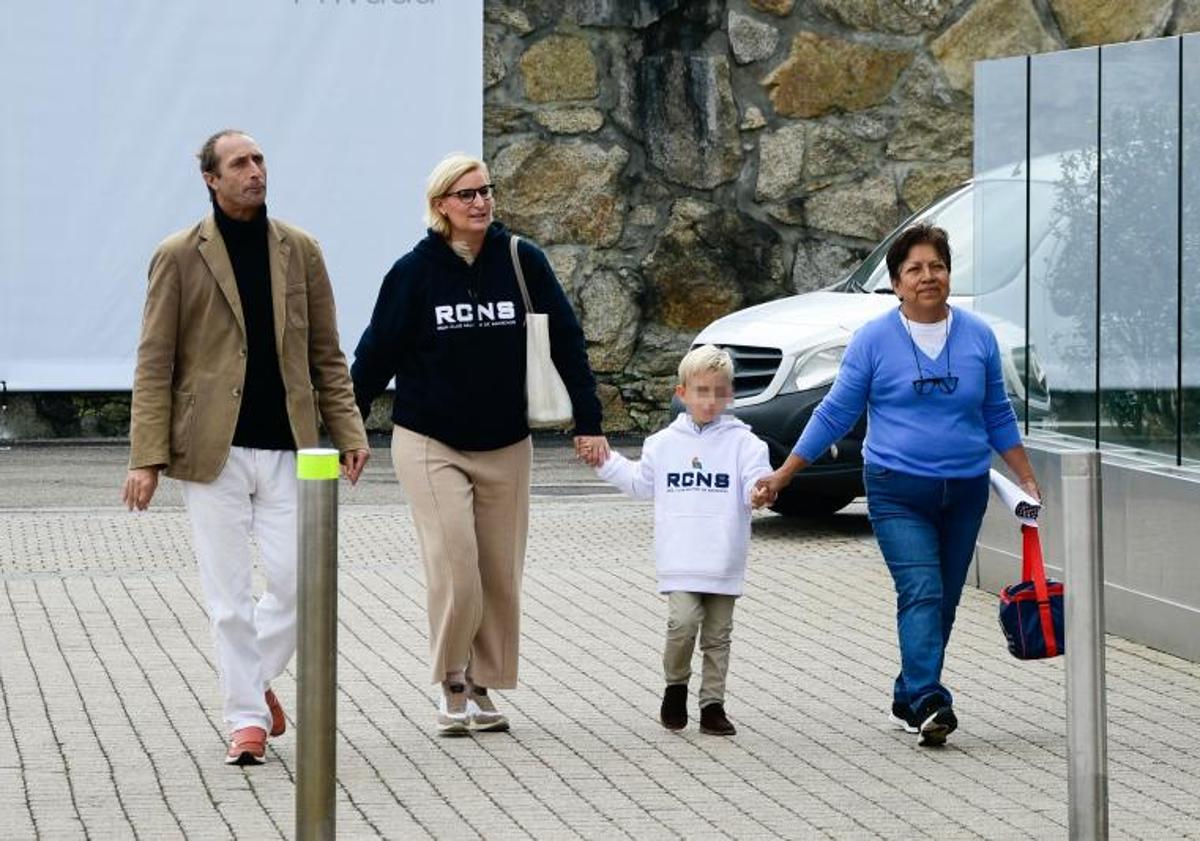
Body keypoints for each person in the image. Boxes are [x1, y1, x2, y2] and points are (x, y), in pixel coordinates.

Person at [123, 130, 369, 766]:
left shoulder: (300, 249)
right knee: (228, 595)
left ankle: (250, 683)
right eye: (239, 163)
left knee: (299, 584)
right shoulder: (178, 255)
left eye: (259, 160)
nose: (255, 171)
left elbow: (325, 352)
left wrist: (348, 431)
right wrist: (145, 457)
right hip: (212, 450)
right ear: (212, 178)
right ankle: (246, 722)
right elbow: (155, 363)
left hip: (290, 445)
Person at [351, 152, 609, 736]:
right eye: (466, 194)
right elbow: (375, 355)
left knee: (498, 574)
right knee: (457, 568)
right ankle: (452, 680)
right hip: (429, 441)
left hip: (506, 442)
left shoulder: (521, 260)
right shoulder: (413, 273)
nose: (480, 202)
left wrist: (588, 421)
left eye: (486, 191)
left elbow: (567, 342)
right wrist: (349, 429)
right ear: (440, 204)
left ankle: (485, 684)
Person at [756, 223, 1041, 747]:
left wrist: (1024, 475)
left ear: (949, 274)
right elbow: (836, 412)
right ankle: (932, 699)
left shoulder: (978, 336)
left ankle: (908, 691)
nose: (928, 277)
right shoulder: (873, 340)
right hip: (896, 490)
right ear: (896, 282)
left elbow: (996, 412)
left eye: (937, 266)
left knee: (946, 599)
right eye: (915, 269)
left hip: (965, 490)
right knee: (922, 591)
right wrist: (784, 474)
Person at [594, 345, 773, 736]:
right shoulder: (662, 444)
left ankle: (713, 705)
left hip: (724, 557)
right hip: (681, 557)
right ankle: (675, 687)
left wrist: (760, 492)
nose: (709, 401)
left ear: (730, 395)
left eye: (718, 392)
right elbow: (642, 484)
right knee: (682, 623)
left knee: (717, 636)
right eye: (700, 391)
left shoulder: (746, 444)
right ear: (682, 393)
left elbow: (754, 482)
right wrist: (606, 461)